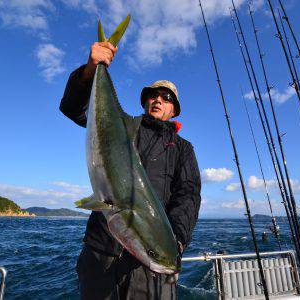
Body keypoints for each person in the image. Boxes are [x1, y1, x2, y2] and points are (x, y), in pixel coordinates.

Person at [59, 41, 201, 299]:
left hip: (148, 267)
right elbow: (73, 109)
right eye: (153, 94)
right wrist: (90, 70)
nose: (158, 99)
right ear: (146, 101)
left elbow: (188, 197)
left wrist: (176, 241)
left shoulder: (183, 149)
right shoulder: (121, 129)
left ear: (174, 109)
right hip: (102, 254)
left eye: (166, 97)